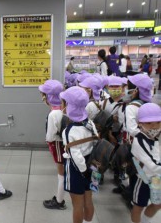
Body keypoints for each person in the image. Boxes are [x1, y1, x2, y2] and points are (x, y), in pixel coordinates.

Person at [60, 86, 98, 223]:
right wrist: (89, 171)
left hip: (77, 170)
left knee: (77, 205)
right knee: (88, 200)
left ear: (69, 106)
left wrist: (83, 171)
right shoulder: (90, 124)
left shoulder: (69, 131)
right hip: (92, 165)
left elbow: (75, 156)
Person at [130, 103, 161, 223]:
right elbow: (152, 165)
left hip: (156, 179)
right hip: (142, 179)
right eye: (149, 123)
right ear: (140, 123)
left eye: (158, 122)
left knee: (157, 204)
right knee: (138, 206)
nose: (154, 126)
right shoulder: (139, 140)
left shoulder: (155, 138)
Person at [38, 80, 67, 210]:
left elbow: (50, 136)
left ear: (49, 96)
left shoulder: (53, 114)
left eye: (43, 94)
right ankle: (59, 197)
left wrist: (48, 140)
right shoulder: (64, 108)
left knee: (61, 174)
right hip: (65, 144)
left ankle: (59, 200)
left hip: (58, 145)